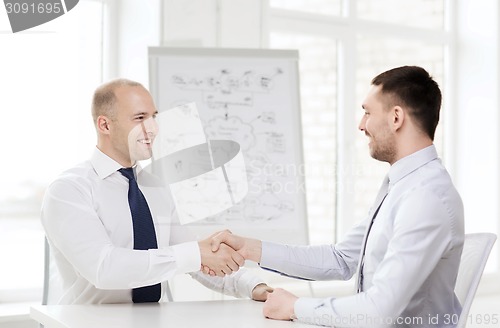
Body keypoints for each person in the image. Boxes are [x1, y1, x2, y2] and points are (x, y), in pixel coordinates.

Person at [209, 66, 465, 327]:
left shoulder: (425, 197)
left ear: (396, 117)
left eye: (367, 112)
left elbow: (379, 310)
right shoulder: (403, 185)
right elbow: (341, 259)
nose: (361, 125)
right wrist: (250, 248)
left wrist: (295, 307)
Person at [41, 78, 272, 304]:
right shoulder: (69, 190)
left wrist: (255, 287)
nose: (152, 128)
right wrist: (195, 254)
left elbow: (196, 257)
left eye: (154, 117)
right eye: (140, 118)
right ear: (105, 125)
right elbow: (104, 268)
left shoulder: (156, 188)